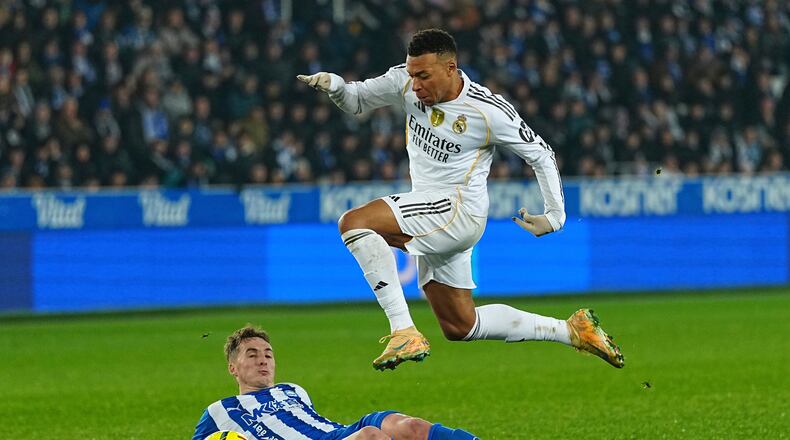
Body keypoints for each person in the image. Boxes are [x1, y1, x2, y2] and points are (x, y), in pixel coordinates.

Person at [297, 29, 624, 371]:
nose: (416, 84)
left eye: (424, 76)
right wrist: (334, 86)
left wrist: (555, 216)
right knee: (460, 326)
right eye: (412, 75)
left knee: (354, 223)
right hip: (430, 207)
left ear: (451, 68)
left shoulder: (487, 111)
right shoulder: (404, 82)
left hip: (457, 209)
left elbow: (541, 154)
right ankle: (571, 330)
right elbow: (357, 99)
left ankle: (402, 330)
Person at [192, 325, 479, 440]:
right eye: (252, 355)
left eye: (268, 354)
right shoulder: (220, 411)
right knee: (371, 437)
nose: (263, 360)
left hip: (341, 433)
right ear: (233, 368)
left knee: (411, 427)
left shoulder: (293, 389)